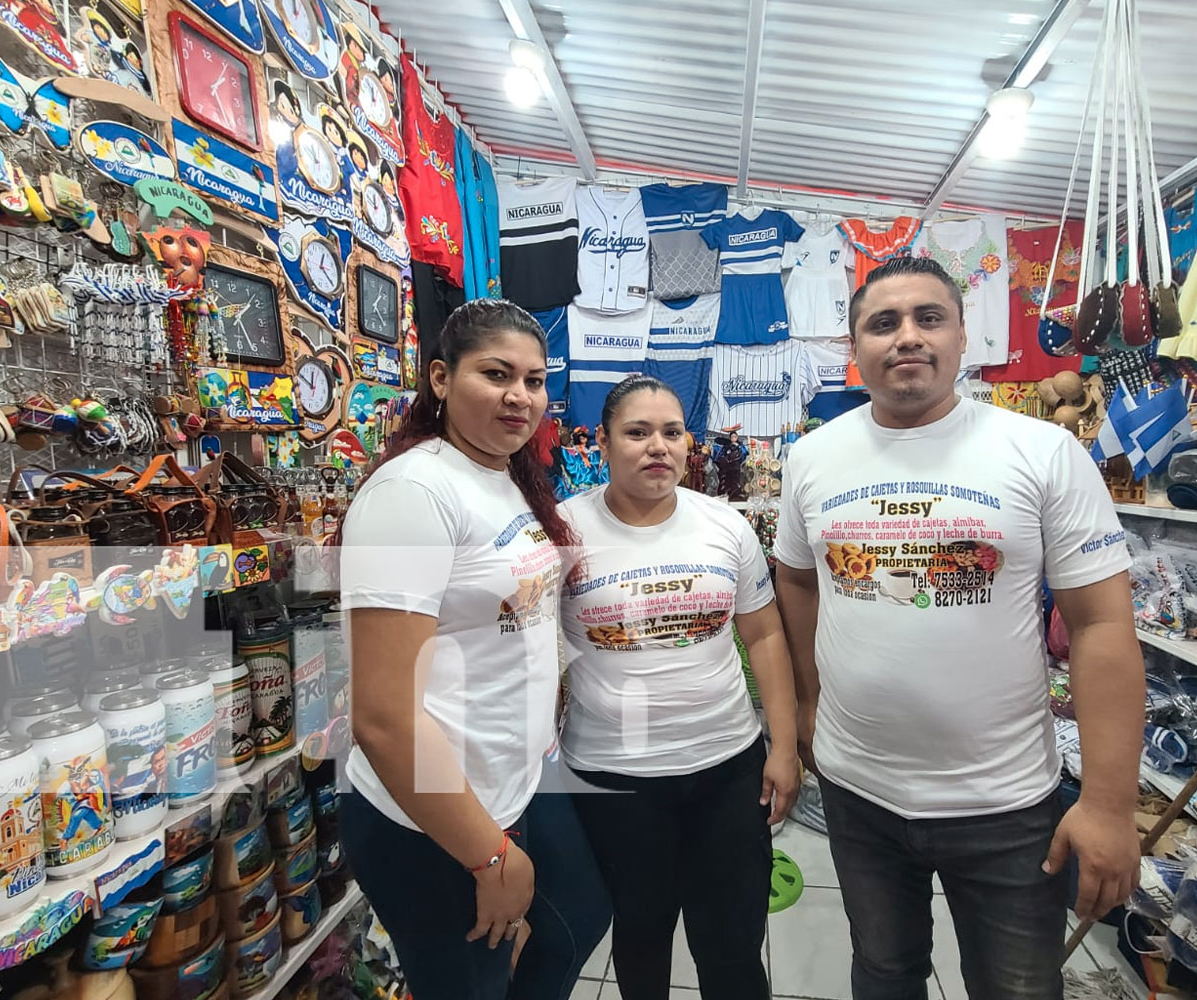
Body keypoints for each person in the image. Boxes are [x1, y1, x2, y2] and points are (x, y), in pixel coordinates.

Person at [772, 256, 1144, 1000]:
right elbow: (797, 579)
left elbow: (1102, 624)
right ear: (856, 348)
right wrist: (810, 699)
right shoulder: (811, 457)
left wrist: (1107, 804)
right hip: (859, 790)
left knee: (1017, 988)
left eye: (928, 318)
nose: (907, 337)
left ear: (962, 335)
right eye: (884, 323)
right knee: (884, 970)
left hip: (1004, 805)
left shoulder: (1043, 452)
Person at [340, 300, 610, 1000]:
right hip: (429, 818)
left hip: (514, 779)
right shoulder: (412, 493)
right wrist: (488, 855)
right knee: (470, 984)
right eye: (496, 374)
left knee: (578, 914)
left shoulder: (503, 476)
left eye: (534, 379)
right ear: (439, 378)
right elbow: (383, 717)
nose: (520, 396)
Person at [560, 376, 798, 1000]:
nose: (657, 446)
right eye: (636, 433)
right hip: (614, 779)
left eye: (671, 432)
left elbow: (765, 636)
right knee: (640, 940)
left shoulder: (725, 525)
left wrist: (784, 744)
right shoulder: (560, 532)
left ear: (689, 442)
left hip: (725, 768)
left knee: (732, 943)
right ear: (603, 445)